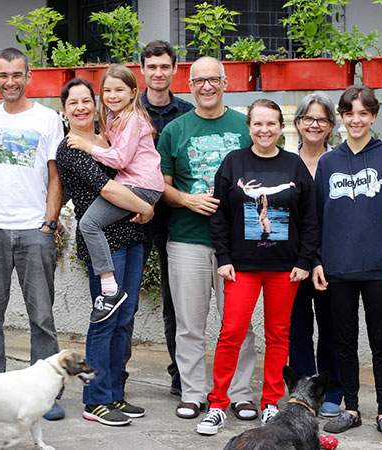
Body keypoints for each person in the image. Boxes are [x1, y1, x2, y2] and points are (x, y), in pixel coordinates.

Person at [199, 98, 318, 435]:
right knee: (232, 332)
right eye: (258, 123)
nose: (264, 130)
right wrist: (223, 257)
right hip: (243, 267)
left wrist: (304, 261)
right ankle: (219, 404)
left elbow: (309, 219)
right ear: (249, 127)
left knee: (279, 335)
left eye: (271, 124)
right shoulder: (234, 162)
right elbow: (219, 215)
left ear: (281, 127)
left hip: (285, 269)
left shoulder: (294, 166)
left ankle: (270, 403)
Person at [157, 56, 258, 421]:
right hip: (187, 239)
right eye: (199, 81)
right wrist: (187, 199)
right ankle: (194, 393)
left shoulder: (244, 127)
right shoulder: (175, 130)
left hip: (237, 244)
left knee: (238, 323)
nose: (206, 87)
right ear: (190, 86)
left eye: (213, 79)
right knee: (189, 324)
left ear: (225, 82)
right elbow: (162, 187)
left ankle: (240, 393)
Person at [0, 48, 65, 420]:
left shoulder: (47, 120)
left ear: (29, 77)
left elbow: (55, 177)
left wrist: (49, 221)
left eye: (16, 74)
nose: (10, 81)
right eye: (2, 75)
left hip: (34, 229)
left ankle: (46, 395)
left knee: (41, 317)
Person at [314, 86, 382, 440]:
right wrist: (317, 261)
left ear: (373, 116)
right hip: (338, 269)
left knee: (381, 342)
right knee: (344, 342)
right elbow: (317, 219)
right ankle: (351, 408)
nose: (356, 120)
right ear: (341, 117)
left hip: (378, 269)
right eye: (349, 113)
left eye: (363, 113)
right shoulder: (327, 162)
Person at [57, 77, 154, 426]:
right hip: (103, 245)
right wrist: (149, 208)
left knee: (123, 320)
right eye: (73, 103)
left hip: (131, 236)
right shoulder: (70, 148)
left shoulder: (106, 137)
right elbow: (109, 190)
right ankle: (94, 399)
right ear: (64, 109)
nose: (81, 107)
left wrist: (142, 210)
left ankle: (114, 394)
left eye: (86, 100)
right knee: (104, 321)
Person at [121, 40, 194, 395]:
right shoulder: (131, 112)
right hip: (134, 214)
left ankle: (182, 376)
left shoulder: (187, 113)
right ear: (143, 71)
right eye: (152, 67)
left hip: (177, 217)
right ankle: (116, 374)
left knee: (175, 301)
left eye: (165, 66)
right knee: (125, 297)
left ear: (174, 70)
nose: (158, 73)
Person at [67, 65, 165, 324]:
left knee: (89, 223)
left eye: (119, 90)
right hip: (134, 183)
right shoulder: (113, 119)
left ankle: (109, 288)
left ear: (133, 93)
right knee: (92, 223)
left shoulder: (132, 119)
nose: (112, 95)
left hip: (141, 185)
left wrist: (89, 146)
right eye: (107, 90)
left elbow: (120, 158)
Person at [288, 92, 343, 418]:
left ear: (331, 126)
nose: (314, 124)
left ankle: (332, 389)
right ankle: (304, 391)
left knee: (332, 328)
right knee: (297, 329)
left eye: (321, 119)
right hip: (293, 262)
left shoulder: (338, 162)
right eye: (308, 118)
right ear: (297, 123)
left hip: (330, 262)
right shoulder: (285, 161)